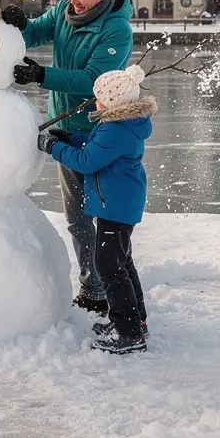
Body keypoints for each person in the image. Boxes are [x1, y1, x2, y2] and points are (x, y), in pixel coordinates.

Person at [1, 0, 133, 315]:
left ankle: (113, 287)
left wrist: (41, 75)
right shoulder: (62, 11)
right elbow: (33, 34)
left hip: (97, 129)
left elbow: (92, 79)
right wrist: (17, 25)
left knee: (105, 220)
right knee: (77, 219)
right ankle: (93, 287)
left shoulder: (117, 30)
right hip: (63, 125)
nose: (73, 1)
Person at [38, 64, 155, 354]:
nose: (96, 101)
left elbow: (86, 161)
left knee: (109, 266)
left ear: (113, 101)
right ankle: (134, 321)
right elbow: (94, 145)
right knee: (122, 262)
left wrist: (52, 147)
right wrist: (69, 139)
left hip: (115, 206)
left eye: (99, 97)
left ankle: (129, 333)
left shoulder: (116, 130)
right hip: (120, 203)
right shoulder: (120, 124)